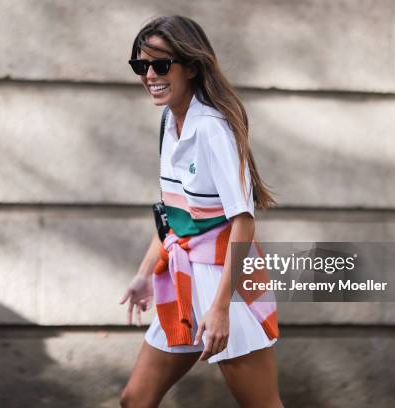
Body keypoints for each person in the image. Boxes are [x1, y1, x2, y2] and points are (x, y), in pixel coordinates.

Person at [119, 15, 285, 408]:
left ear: (192, 67)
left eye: (161, 65)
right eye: (141, 66)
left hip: (223, 283)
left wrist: (222, 307)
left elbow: (244, 223)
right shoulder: (168, 121)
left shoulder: (213, 127)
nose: (150, 76)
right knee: (135, 400)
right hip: (182, 275)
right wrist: (144, 274)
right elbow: (173, 217)